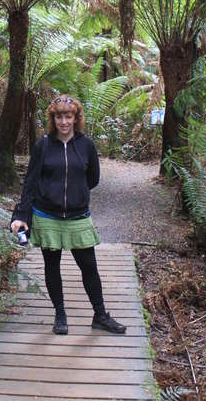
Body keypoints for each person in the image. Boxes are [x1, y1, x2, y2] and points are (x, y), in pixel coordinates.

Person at [10, 95, 126, 335]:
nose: (64, 121)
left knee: (89, 266)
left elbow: (92, 179)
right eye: (59, 116)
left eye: (68, 116)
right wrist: (21, 215)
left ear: (76, 118)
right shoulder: (43, 145)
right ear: (53, 119)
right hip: (46, 216)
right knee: (52, 266)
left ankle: (100, 315)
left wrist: (76, 193)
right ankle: (60, 314)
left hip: (77, 217)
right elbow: (30, 182)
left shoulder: (86, 146)